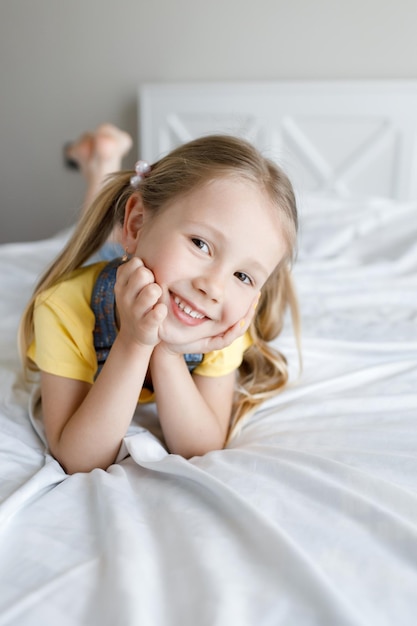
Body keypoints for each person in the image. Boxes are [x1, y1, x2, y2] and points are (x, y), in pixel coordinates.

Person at [19, 127, 301, 474]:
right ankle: (100, 166)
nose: (213, 287)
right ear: (136, 224)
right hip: (116, 271)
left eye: (243, 276)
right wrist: (135, 341)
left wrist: (167, 350)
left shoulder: (222, 320)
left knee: (119, 248)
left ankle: (102, 160)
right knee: (103, 246)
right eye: (200, 243)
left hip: (147, 267)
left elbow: (200, 447)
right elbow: (78, 457)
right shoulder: (63, 307)